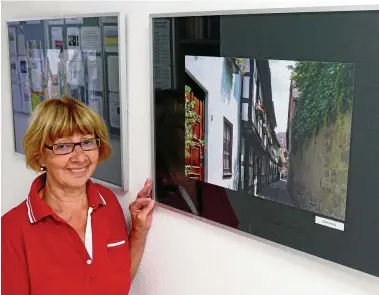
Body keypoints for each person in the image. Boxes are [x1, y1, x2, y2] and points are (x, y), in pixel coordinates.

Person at [1, 97, 154, 295]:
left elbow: (119, 281)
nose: (80, 157)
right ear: (40, 155)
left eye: (87, 142)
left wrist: (139, 232)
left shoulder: (107, 203)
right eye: (63, 146)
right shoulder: (10, 230)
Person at [154, 89, 239, 228]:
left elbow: (232, 227)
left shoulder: (209, 182)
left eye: (201, 128)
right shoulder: (152, 183)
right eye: (189, 127)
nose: (199, 137)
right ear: (164, 131)